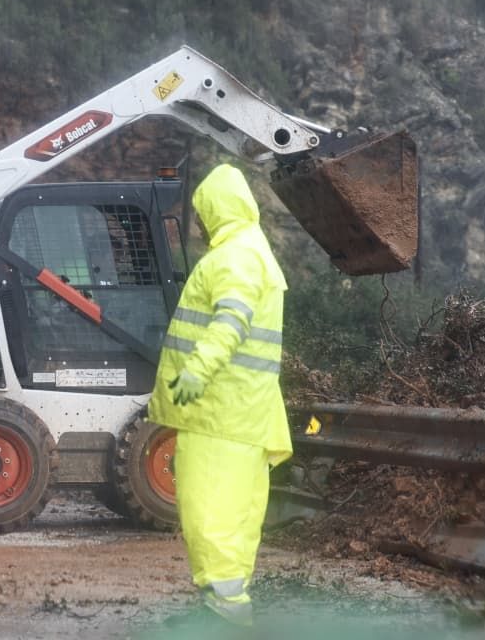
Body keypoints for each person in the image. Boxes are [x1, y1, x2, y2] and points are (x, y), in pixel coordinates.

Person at [148, 163, 291, 628]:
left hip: (218, 414)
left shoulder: (234, 257)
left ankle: (223, 615)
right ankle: (227, 603)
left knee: (209, 516)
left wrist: (196, 371)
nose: (199, 223)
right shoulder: (254, 251)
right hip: (244, 414)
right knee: (236, 518)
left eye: (201, 213)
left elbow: (232, 320)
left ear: (214, 210)